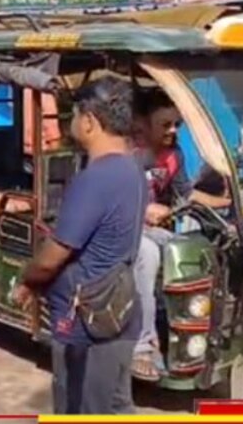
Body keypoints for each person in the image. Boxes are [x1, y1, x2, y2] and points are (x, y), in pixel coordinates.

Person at [13, 76, 148, 414]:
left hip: (85, 326)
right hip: (121, 310)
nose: (70, 121)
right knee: (115, 405)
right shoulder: (134, 168)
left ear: (88, 121)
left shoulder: (94, 179)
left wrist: (26, 279)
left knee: (80, 408)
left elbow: (51, 259)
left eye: (73, 114)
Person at [129, 90, 231, 381]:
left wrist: (226, 203)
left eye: (177, 124)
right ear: (142, 124)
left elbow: (186, 194)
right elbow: (110, 196)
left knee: (188, 251)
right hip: (120, 227)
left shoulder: (175, 155)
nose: (173, 131)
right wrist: (144, 209)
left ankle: (189, 332)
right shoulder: (128, 153)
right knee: (147, 255)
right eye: (165, 124)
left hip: (152, 229)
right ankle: (140, 346)